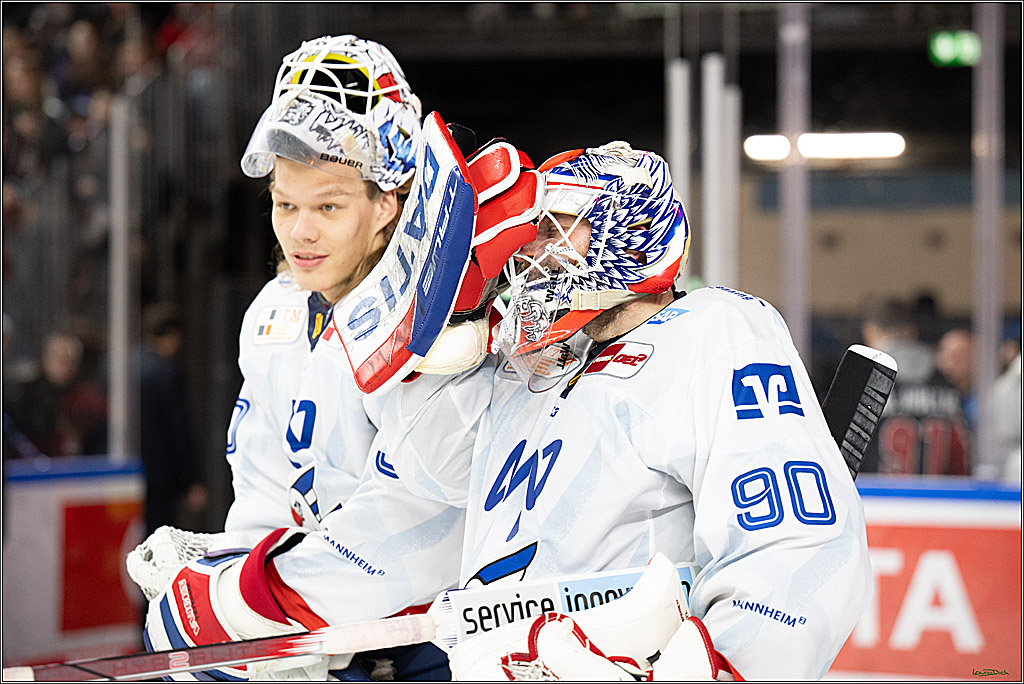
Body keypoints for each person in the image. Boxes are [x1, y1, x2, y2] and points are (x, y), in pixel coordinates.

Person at [129, 34, 540, 681]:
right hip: (327, 628)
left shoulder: (447, 325)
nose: (300, 232)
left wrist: (258, 602)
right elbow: (264, 493)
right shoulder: (275, 312)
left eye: (328, 206)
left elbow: (425, 525)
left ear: (387, 204)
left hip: (447, 641)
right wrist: (229, 581)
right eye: (284, 204)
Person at [393, 142, 872, 680]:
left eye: (556, 230)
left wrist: (727, 664)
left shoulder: (714, 329)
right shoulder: (529, 360)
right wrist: (449, 318)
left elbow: (794, 542)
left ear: (630, 231)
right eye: (533, 235)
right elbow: (434, 472)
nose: (532, 253)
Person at [859, 300, 970, 475]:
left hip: (878, 496)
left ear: (870, 331)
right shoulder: (943, 380)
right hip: (939, 497)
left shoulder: (864, 380)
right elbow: (962, 457)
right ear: (911, 332)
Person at [137, 301, 208, 535]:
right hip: (159, 481)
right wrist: (190, 481)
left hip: (125, 473)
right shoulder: (165, 374)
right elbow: (178, 431)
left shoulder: (119, 366)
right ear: (170, 335)